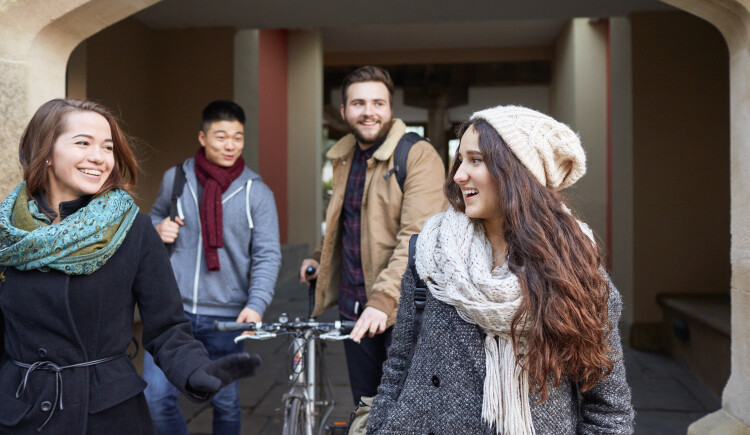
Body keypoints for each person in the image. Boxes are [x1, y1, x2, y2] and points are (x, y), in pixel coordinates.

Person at [367, 105, 635, 434]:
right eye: (459, 159)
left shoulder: (576, 274)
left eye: (475, 160)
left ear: (518, 171)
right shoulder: (431, 253)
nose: (458, 175)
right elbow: (397, 367)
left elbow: (608, 410)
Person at [0, 99, 261, 434]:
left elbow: (167, 329)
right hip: (21, 413)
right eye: (83, 143)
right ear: (46, 152)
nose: (99, 156)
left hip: (107, 414)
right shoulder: (9, 234)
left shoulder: (133, 230)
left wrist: (196, 371)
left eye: (107, 147)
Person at [299, 66, 446, 405]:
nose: (369, 112)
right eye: (359, 103)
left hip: (403, 309)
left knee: (406, 412)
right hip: (355, 309)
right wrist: (319, 258)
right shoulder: (344, 157)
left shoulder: (417, 155)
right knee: (365, 408)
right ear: (344, 111)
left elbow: (417, 238)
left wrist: (382, 300)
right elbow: (346, 221)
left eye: (378, 103)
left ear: (390, 109)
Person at [143, 100, 281, 435]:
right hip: (172, 314)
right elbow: (151, 222)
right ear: (203, 138)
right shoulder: (175, 179)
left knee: (225, 403)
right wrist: (157, 229)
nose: (230, 145)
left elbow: (268, 254)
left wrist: (256, 304)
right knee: (155, 398)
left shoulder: (256, 193)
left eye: (238, 137)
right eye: (221, 136)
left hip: (227, 318)